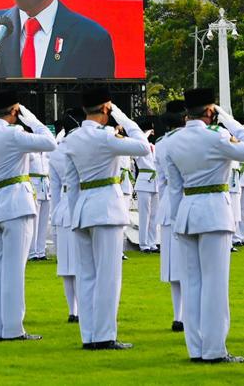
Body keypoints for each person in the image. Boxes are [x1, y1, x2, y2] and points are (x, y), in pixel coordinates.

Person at [165, 87, 244, 364]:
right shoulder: (218, 135)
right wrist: (230, 121)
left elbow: (174, 188)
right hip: (213, 212)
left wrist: (176, 220)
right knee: (215, 284)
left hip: (186, 212)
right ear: (211, 111)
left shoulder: (172, 141)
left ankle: (196, 348)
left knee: (192, 283)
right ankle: (215, 349)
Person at [62, 88, 151, 351]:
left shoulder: (73, 138)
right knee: (108, 276)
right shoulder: (105, 137)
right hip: (107, 209)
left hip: (82, 209)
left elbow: (71, 181)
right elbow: (143, 146)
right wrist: (121, 115)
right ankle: (105, 335)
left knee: (87, 276)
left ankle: (89, 335)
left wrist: (76, 212)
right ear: (105, 109)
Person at [0, 90, 57, 341]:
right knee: (14, 271)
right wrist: (28, 117)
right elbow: (49, 142)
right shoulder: (15, 134)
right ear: (14, 110)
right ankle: (13, 329)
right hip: (16, 204)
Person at [48, 108, 84, 322]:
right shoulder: (84, 146)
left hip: (62, 207)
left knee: (67, 265)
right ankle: (83, 308)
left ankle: (73, 311)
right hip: (82, 204)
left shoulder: (56, 152)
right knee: (83, 263)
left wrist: (53, 217)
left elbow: (54, 189)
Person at [156, 99, 186, 332]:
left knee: (174, 266)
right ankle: (187, 315)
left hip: (167, 203)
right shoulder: (189, 141)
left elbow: (161, 181)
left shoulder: (161, 144)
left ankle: (179, 315)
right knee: (191, 266)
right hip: (188, 200)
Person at [134, 116, 161, 253]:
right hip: (144, 180)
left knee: (154, 215)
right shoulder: (140, 146)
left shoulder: (154, 147)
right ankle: (143, 244)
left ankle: (152, 242)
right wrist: (144, 133)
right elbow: (136, 155)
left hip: (155, 181)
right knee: (144, 214)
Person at [28, 149, 51, 261]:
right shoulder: (31, 152)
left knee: (44, 222)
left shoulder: (47, 153)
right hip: (34, 185)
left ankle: (41, 251)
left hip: (46, 186)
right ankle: (32, 252)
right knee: (34, 221)